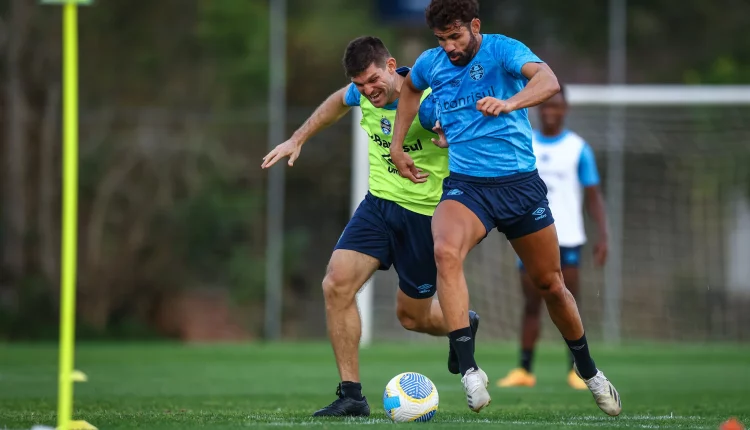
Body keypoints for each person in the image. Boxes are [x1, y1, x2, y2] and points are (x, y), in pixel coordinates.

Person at [388, 0, 621, 416]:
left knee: (550, 284)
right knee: (446, 251)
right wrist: (396, 144)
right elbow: (409, 88)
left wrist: (510, 103)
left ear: (475, 25)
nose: (450, 47)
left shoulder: (503, 50)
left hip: (518, 186)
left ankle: (589, 372)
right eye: (441, 40)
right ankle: (470, 369)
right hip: (467, 187)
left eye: (456, 36)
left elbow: (548, 80)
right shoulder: (431, 63)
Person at [261, 36, 480, 418]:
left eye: (373, 80)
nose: (368, 90)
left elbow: (454, 125)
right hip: (378, 208)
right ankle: (352, 396)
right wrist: (298, 138)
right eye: (360, 84)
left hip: (425, 216)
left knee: (411, 317)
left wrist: (451, 137)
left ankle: (460, 323)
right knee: (336, 283)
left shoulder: (426, 99)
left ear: (391, 65)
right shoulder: (360, 93)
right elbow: (335, 103)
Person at [496, 86, 609, 390]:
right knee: (531, 303)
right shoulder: (524, 142)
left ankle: (577, 370)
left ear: (565, 109)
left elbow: (593, 196)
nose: (549, 112)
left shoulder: (578, 148)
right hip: (530, 236)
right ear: (536, 110)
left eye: (555, 107)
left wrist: (603, 236)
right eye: (544, 107)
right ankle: (524, 370)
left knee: (567, 301)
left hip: (568, 237)